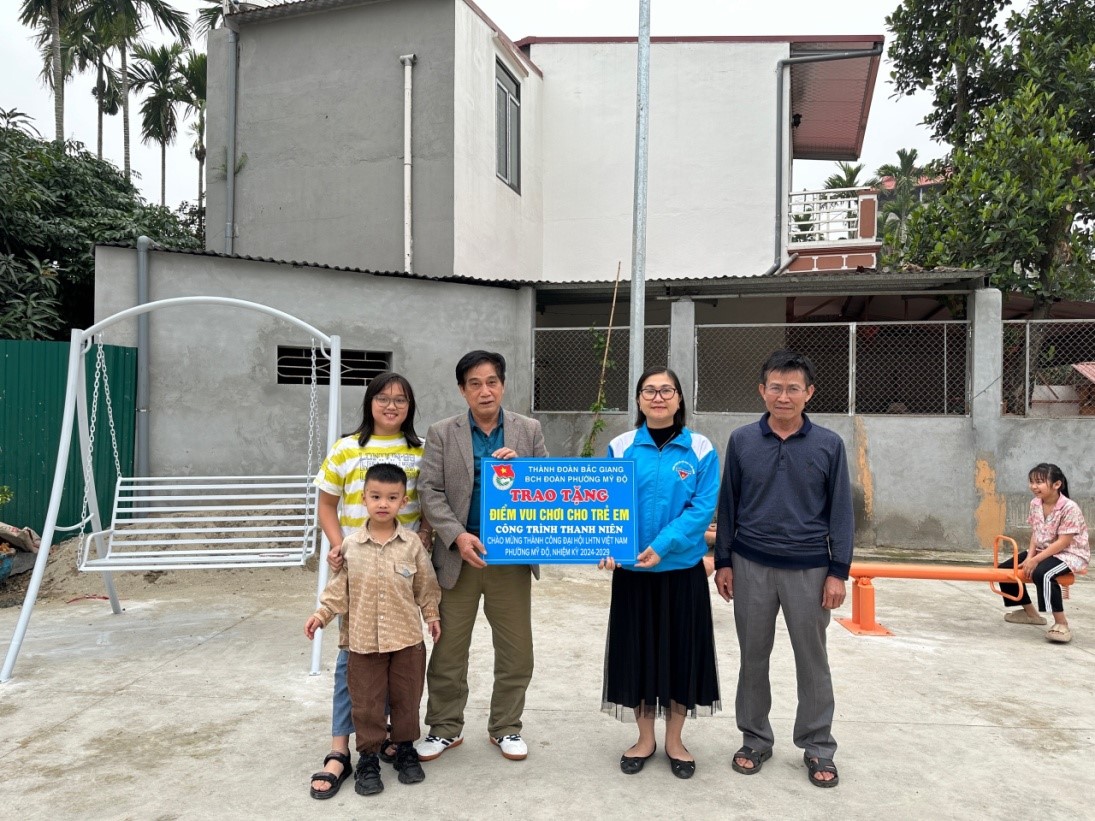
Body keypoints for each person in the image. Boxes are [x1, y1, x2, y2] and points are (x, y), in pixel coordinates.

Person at [714, 349, 853, 789]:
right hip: (750, 565)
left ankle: (818, 745)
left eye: (794, 388)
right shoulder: (742, 441)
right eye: (776, 387)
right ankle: (755, 739)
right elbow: (728, 505)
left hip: (809, 570)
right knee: (753, 658)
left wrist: (838, 571)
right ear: (762, 390)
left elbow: (841, 512)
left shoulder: (829, 444)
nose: (784, 396)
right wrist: (723, 562)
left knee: (812, 661)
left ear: (809, 393)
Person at [415, 350, 547, 763]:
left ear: (503, 385)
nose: (484, 391)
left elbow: (549, 485)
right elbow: (429, 490)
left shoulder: (528, 430)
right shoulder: (442, 432)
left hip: (511, 557)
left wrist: (524, 470)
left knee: (516, 650)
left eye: (491, 382)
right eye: (474, 383)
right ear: (462, 390)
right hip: (458, 557)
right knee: (448, 649)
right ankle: (444, 728)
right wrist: (457, 536)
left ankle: (506, 726)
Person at [309, 372, 433, 798]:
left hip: (401, 569)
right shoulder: (347, 448)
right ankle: (340, 750)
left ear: (410, 406)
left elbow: (431, 502)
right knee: (354, 664)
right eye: (383, 398)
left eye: (401, 399)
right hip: (357, 566)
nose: (391, 406)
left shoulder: (420, 450)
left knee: (401, 665)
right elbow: (326, 504)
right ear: (369, 402)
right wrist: (340, 546)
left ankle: (396, 740)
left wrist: (423, 541)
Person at [598, 367, 721, 780]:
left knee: (680, 656)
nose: (658, 397)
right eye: (649, 390)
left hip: (681, 571)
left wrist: (663, 545)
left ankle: (675, 741)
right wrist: (608, 546)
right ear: (638, 400)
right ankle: (645, 738)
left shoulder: (700, 448)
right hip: (633, 573)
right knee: (638, 656)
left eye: (666, 390)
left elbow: (702, 509)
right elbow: (605, 504)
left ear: (679, 398)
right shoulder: (620, 447)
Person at [998, 463, 1089, 643]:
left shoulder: (1069, 508)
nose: (1033, 486)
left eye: (1039, 482)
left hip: (1069, 553)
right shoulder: (1035, 503)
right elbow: (1036, 532)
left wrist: (1035, 561)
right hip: (1043, 548)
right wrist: (1030, 557)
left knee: (1043, 574)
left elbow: (1063, 542)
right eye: (1031, 482)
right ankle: (1030, 614)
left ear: (1057, 484)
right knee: (1005, 569)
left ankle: (1061, 623)